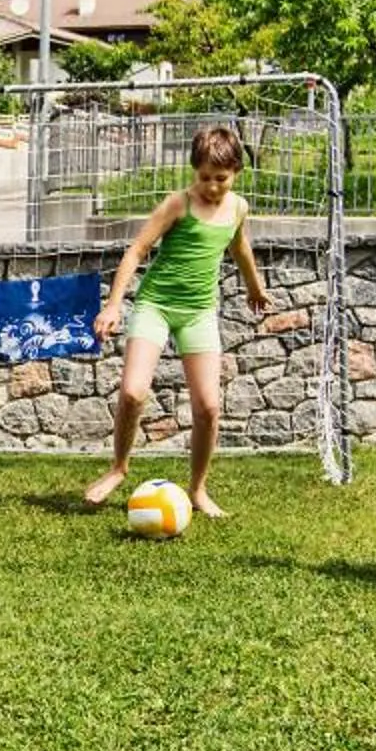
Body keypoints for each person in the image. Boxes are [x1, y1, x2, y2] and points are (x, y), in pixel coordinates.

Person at [83, 124, 271, 518]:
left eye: (221, 178)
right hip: (156, 305)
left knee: (208, 408)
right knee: (133, 392)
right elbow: (137, 250)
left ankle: (198, 489)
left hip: (199, 311)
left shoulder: (238, 208)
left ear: (236, 171)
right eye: (204, 177)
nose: (213, 186)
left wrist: (254, 287)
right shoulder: (178, 204)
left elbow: (239, 247)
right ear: (193, 171)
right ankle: (119, 467)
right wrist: (114, 304)